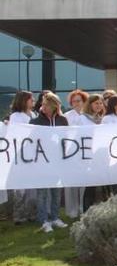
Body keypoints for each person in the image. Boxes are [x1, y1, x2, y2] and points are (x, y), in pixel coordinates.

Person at [30, 92, 69, 233]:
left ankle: (55, 217)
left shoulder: (63, 120)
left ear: (54, 106)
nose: (43, 106)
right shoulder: (35, 121)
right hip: (41, 162)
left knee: (56, 192)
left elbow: (67, 139)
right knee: (42, 193)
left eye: (46, 104)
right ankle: (43, 220)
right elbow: (31, 142)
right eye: (43, 103)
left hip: (57, 162)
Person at [7, 91, 37, 222]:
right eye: (31, 99)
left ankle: (31, 213)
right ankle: (19, 216)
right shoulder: (16, 116)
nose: (33, 101)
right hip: (20, 154)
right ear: (24, 101)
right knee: (21, 188)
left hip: (33, 154)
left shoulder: (34, 114)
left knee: (32, 186)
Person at [76, 94, 104, 212]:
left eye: (100, 103)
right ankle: (86, 211)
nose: (99, 105)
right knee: (89, 186)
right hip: (87, 156)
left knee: (99, 186)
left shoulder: (101, 118)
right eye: (96, 103)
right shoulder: (82, 118)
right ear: (90, 104)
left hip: (99, 157)